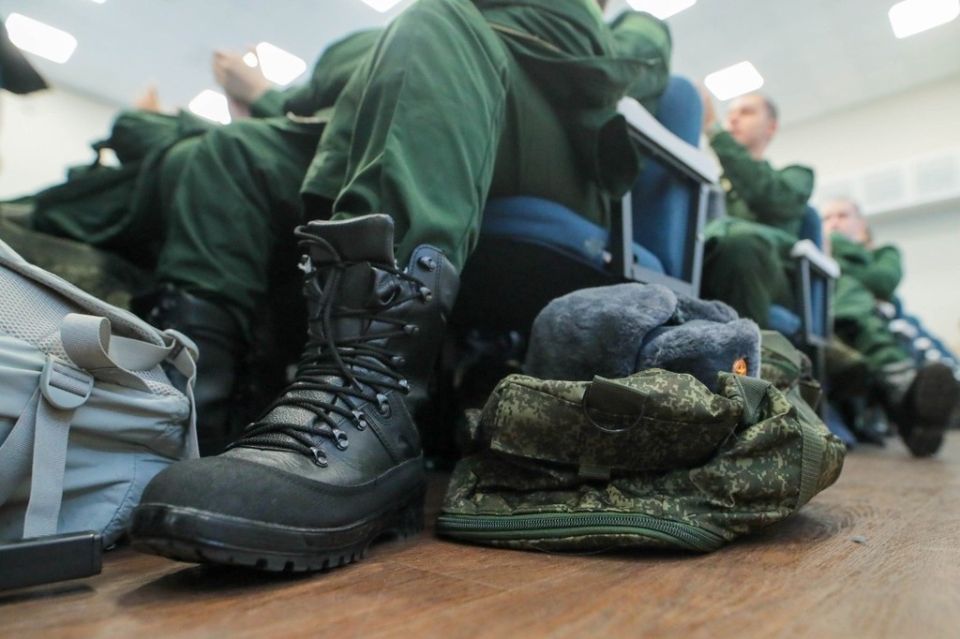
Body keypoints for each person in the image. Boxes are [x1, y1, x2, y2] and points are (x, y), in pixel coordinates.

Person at [118, 0, 674, 571]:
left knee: (433, 23)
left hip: (549, 149)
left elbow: (631, 66)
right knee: (231, 151)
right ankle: (186, 424)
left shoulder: (626, 22)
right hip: (412, 103)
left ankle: (368, 400)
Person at [821, 197, 959, 456]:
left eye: (842, 215)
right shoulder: (817, 254)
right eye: (827, 219)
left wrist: (837, 250)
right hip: (843, 324)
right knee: (869, 322)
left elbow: (883, 281)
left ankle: (922, 412)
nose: (834, 223)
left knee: (917, 340)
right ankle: (914, 416)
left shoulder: (884, 252)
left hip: (876, 322)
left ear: (861, 225)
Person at [697, 91, 815, 327]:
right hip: (714, 261)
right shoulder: (711, 186)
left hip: (770, 276)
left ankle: (747, 348)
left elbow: (769, 198)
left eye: (746, 112)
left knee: (742, 243)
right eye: (730, 114)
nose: (733, 119)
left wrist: (716, 133)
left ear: (771, 127)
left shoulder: (796, 176)